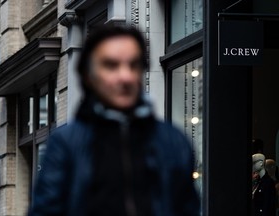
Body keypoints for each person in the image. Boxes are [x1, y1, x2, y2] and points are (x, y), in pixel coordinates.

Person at [27, 25, 200, 216]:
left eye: (134, 65)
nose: (125, 76)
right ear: (88, 75)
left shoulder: (173, 141)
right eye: (111, 65)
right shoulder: (66, 143)